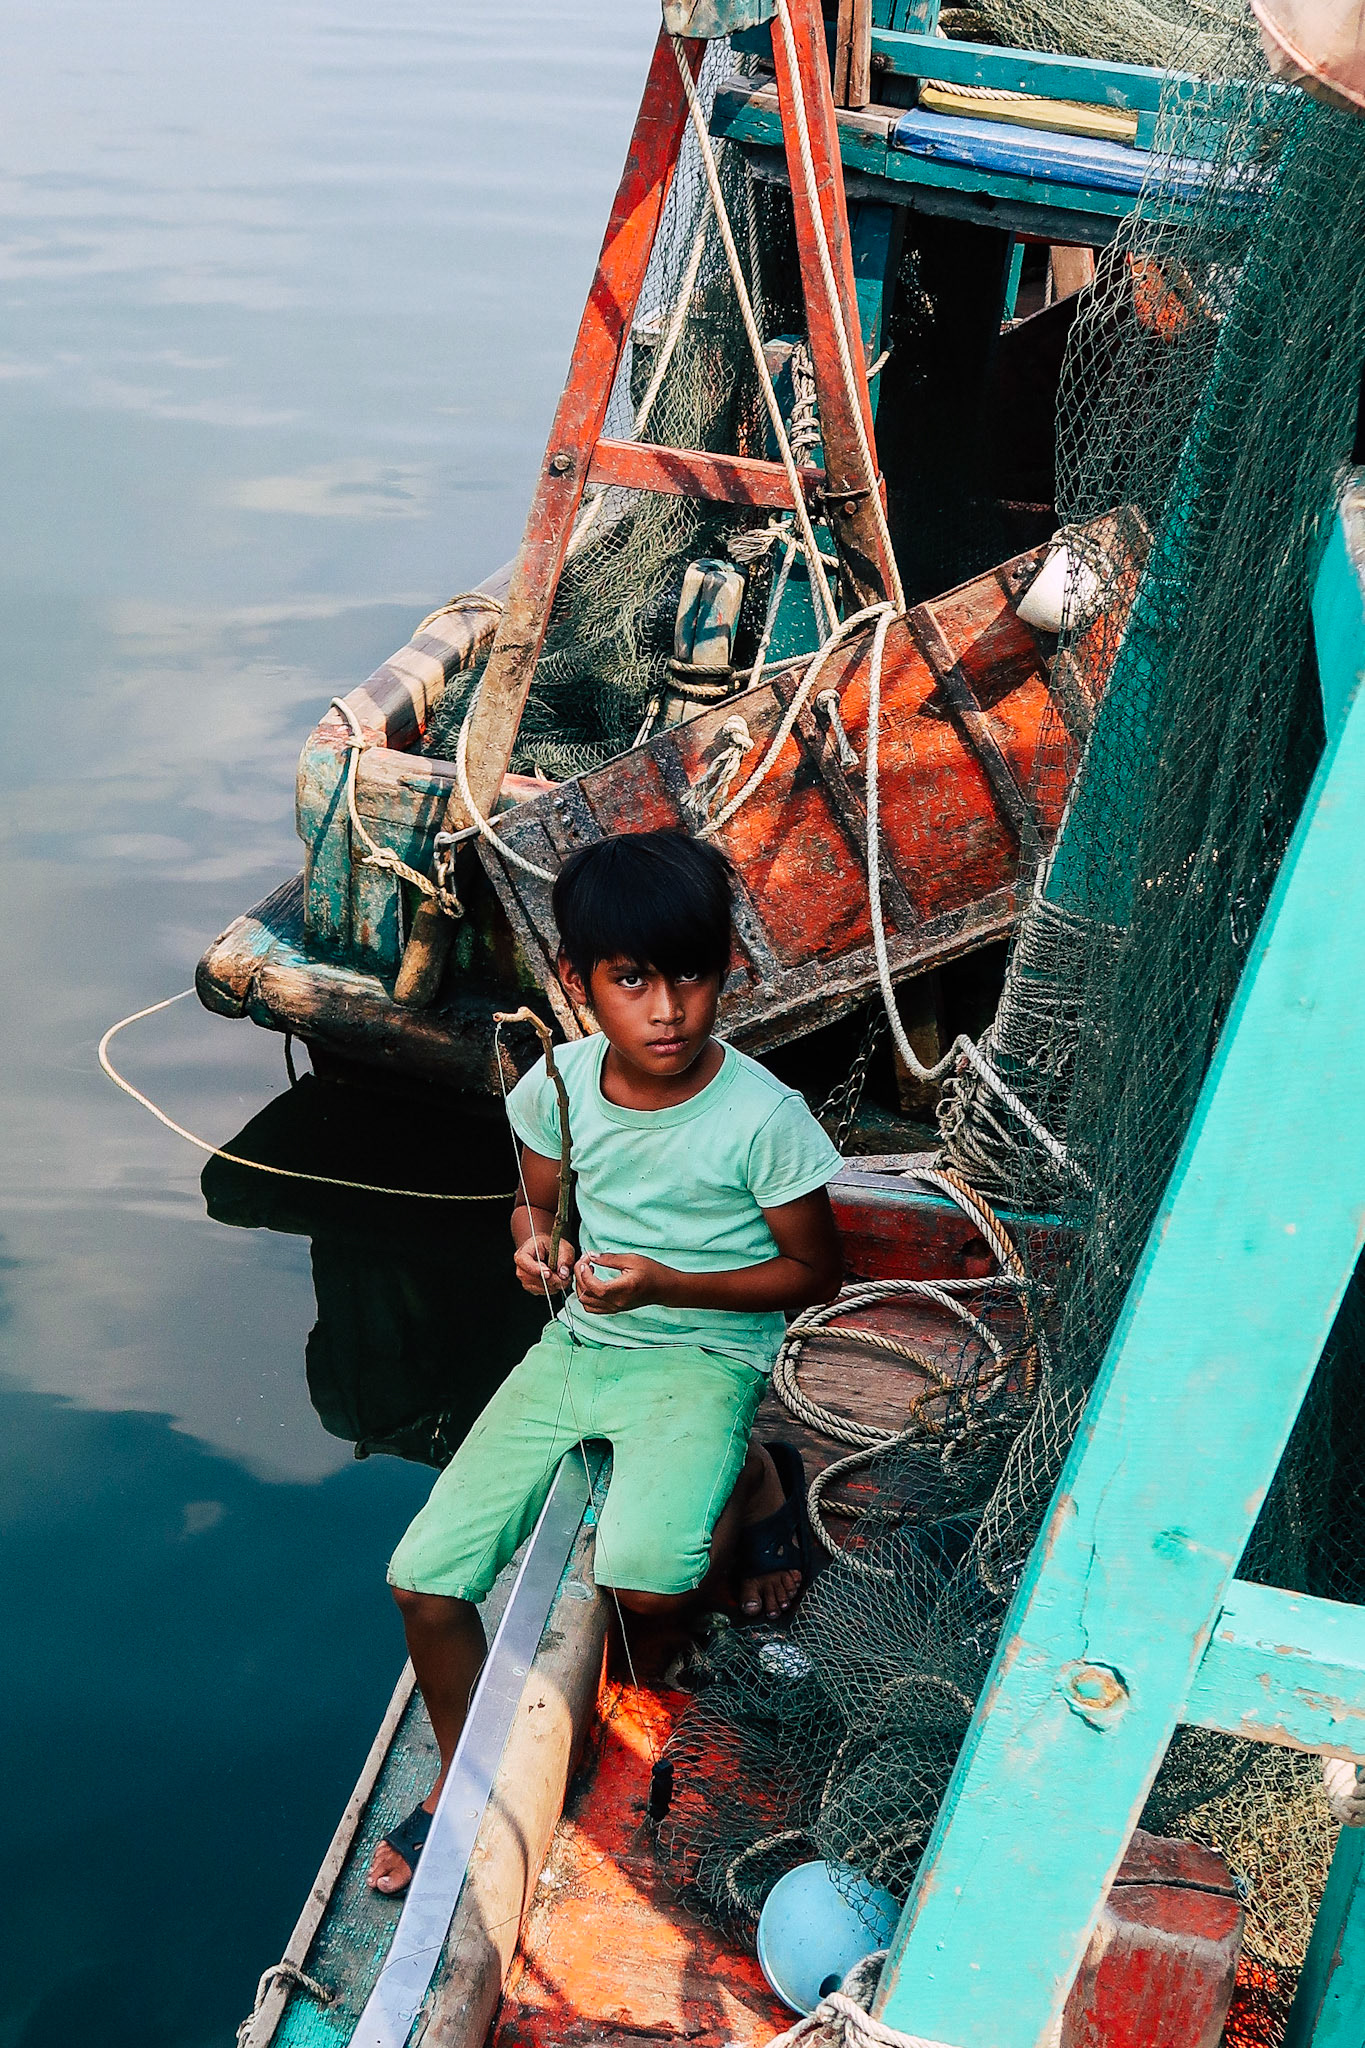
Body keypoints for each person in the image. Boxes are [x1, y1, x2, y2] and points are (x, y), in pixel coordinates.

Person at [367, 828, 843, 1895]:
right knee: (421, 1582)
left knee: (649, 1585)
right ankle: (458, 1773)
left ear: (733, 969)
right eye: (631, 981)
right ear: (579, 983)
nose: (665, 1010)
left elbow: (815, 1272)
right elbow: (535, 1201)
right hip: (584, 1338)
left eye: (691, 976)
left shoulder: (763, 1117)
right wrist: (536, 1244)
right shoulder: (562, 1086)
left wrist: (668, 1283)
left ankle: (761, 1472)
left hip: (707, 1347)